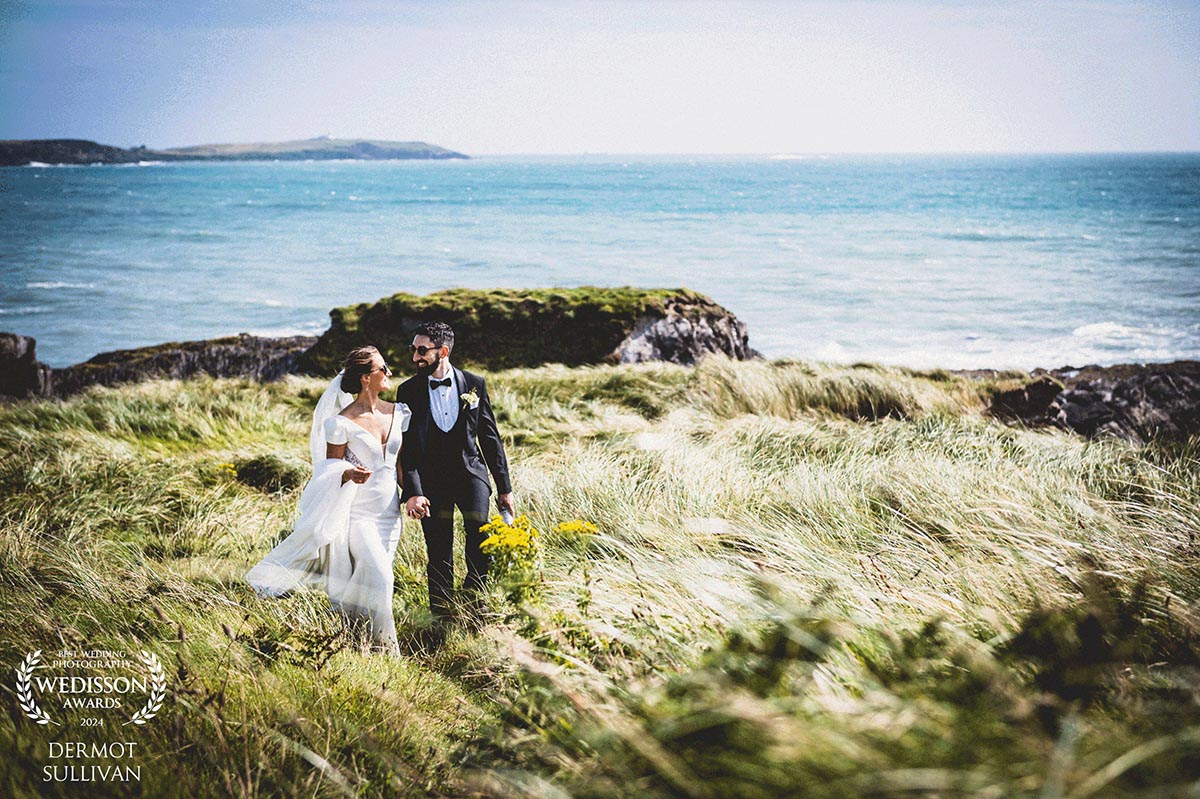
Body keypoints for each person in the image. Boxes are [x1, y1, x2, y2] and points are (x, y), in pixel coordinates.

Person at [246, 346, 410, 654]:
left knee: (373, 582)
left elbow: (403, 466)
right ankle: (387, 653)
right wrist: (348, 473)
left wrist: (416, 495)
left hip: (390, 516)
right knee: (383, 577)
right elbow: (328, 469)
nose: (389, 372)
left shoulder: (399, 412)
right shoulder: (340, 422)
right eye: (382, 368)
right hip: (358, 516)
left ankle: (356, 639)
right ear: (365, 378)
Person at [396, 321, 514, 618]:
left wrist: (505, 488)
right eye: (413, 350)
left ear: (443, 351)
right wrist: (414, 492)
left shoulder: (474, 383)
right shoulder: (407, 391)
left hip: (470, 473)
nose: (415, 358)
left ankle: (476, 601)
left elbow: (489, 437)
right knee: (438, 549)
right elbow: (406, 448)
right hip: (431, 481)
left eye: (422, 350)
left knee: (479, 536)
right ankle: (442, 612)